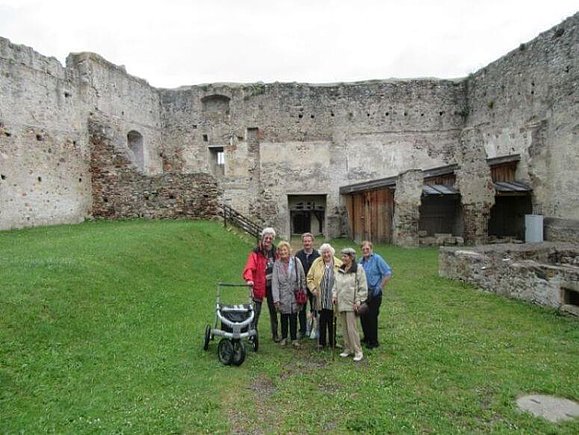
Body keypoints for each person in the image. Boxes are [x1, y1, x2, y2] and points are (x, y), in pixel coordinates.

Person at [243, 227, 280, 342]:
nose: (268, 240)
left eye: (270, 238)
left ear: (273, 239)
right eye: (266, 237)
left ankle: (275, 334)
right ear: (262, 238)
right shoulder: (256, 252)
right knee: (256, 311)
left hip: (271, 286)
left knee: (273, 310)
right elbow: (249, 267)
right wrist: (249, 279)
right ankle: (252, 334)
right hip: (259, 284)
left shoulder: (275, 252)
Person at [332, 247, 368, 362]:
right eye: (342, 256)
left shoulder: (358, 269)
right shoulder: (340, 269)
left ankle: (358, 351)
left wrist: (358, 300)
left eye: (345, 256)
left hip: (352, 303)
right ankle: (348, 348)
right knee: (344, 327)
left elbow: (362, 286)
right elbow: (335, 285)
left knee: (352, 328)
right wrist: (334, 295)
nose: (343, 258)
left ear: (351, 257)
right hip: (341, 302)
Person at [306, 243, 341, 349]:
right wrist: (313, 289)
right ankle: (321, 342)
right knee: (321, 320)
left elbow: (343, 280)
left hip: (333, 297)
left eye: (328, 252)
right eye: (324, 252)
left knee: (332, 320)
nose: (326, 254)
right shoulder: (317, 262)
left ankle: (332, 341)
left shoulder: (339, 263)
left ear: (332, 252)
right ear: (321, 254)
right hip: (320, 296)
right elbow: (309, 278)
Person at [271, 241, 306, 348]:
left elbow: (302, 277)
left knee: (294, 316)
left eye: (285, 250)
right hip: (283, 295)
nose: (283, 252)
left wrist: (303, 292)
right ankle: (284, 337)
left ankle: (294, 339)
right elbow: (275, 282)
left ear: (289, 250)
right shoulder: (277, 264)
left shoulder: (296, 261)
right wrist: (276, 299)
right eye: (281, 250)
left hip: (295, 294)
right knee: (284, 316)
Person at [359, 240, 392, 349]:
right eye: (363, 249)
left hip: (374, 293)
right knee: (363, 315)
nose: (365, 251)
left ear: (371, 249)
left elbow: (387, 273)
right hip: (364, 292)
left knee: (372, 316)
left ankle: (374, 341)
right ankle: (366, 337)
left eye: (367, 249)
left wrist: (379, 287)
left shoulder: (377, 259)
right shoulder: (361, 262)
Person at [294, 232, 320, 339]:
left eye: (309, 241)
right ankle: (303, 330)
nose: (307, 243)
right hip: (302, 287)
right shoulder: (298, 255)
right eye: (305, 241)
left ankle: (314, 329)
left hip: (313, 286)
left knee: (315, 308)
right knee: (301, 309)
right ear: (302, 242)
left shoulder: (317, 255)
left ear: (312, 242)